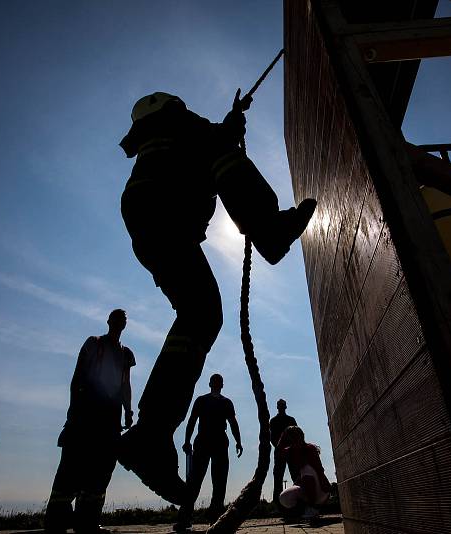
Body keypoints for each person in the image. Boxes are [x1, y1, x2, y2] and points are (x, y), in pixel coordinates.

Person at [117, 91, 316, 504]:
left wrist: (233, 117)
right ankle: (269, 229)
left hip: (151, 220)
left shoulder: (162, 142)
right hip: (164, 210)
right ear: (170, 110)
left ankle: (151, 436)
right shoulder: (181, 130)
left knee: (200, 314)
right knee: (223, 154)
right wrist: (231, 126)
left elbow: (212, 134)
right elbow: (216, 139)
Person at [45, 309, 135, 534]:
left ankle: (87, 520)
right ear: (109, 321)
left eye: (123, 320)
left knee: (102, 467)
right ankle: (57, 519)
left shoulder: (126, 354)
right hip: (86, 413)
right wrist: (75, 409)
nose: (119, 322)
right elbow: (78, 377)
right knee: (72, 464)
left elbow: (125, 384)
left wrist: (128, 410)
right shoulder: (94, 343)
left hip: (110, 417)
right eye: (116, 318)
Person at [174, 374, 242, 531]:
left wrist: (187, 440)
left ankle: (194, 518)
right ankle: (203, 518)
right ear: (219, 385)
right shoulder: (213, 401)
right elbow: (231, 423)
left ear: (211, 384)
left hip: (210, 441)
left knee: (202, 481)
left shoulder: (213, 401)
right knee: (208, 481)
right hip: (210, 441)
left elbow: (232, 423)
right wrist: (186, 440)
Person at [276, 426, 331, 520]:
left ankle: (313, 508)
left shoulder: (310, 448)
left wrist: (325, 486)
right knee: (284, 498)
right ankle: (303, 510)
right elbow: (279, 451)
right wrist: (283, 435)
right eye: (290, 437)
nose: (293, 439)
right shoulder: (290, 451)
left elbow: (319, 469)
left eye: (295, 436)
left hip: (320, 489)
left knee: (306, 468)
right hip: (305, 488)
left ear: (301, 436)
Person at [269, 399, 298, 507]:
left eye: (282, 405)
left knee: (295, 476)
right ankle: (279, 505)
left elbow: (297, 435)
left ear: (285, 407)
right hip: (281, 452)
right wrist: (280, 447)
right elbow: (272, 438)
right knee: (278, 478)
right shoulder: (273, 421)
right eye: (280, 405)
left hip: (291, 452)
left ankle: (297, 503)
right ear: (278, 407)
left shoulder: (290, 420)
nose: (281, 407)